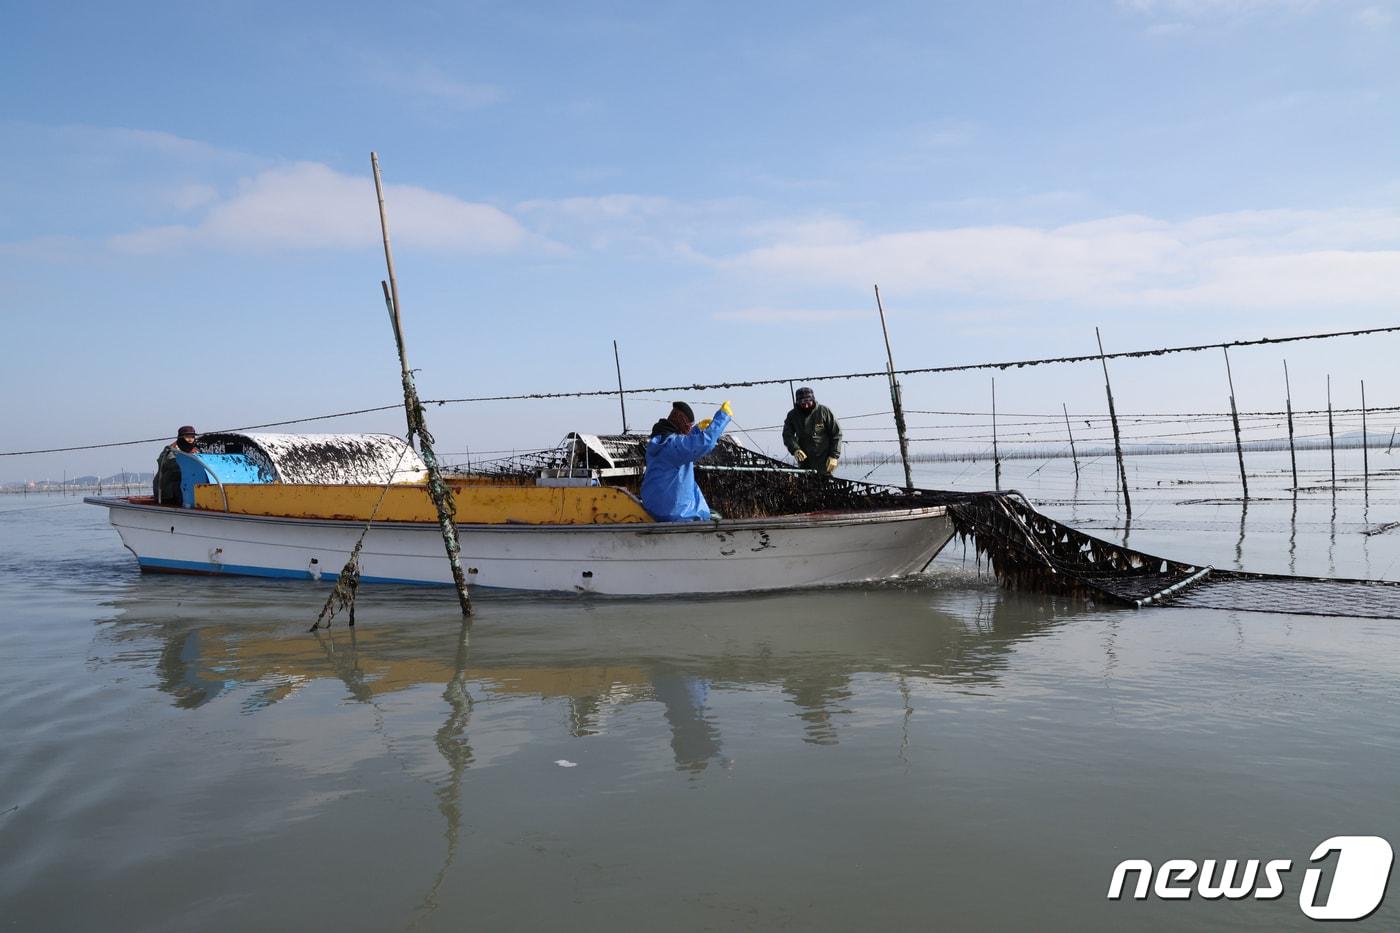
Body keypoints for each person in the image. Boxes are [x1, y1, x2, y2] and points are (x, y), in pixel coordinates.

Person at [639, 400, 732, 522]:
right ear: (679, 418)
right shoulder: (673, 446)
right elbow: (704, 442)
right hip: (677, 514)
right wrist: (723, 417)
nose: (689, 429)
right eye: (688, 425)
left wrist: (697, 430)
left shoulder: (660, 441)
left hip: (656, 510)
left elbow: (683, 442)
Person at [782, 387, 841, 474]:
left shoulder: (824, 411)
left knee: (825, 483)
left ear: (813, 400)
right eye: (802, 402)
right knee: (806, 484)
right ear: (797, 402)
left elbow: (836, 434)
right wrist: (795, 449)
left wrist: (834, 456)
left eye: (808, 402)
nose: (805, 405)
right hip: (805, 461)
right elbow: (787, 435)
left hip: (824, 459)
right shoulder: (792, 415)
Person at [154, 425, 198, 505]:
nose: (190, 439)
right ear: (181, 437)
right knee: (180, 486)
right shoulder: (170, 450)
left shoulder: (196, 451)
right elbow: (169, 464)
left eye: (192, 436)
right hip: (168, 485)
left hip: (188, 483)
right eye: (187, 436)